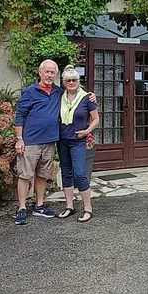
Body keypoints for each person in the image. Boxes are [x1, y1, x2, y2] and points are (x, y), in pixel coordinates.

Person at [12, 59, 95, 225]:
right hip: (31, 141)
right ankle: (21, 207)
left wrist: (91, 95)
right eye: (47, 71)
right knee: (25, 175)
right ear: (40, 72)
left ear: (56, 75)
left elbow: (76, 93)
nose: (49, 75)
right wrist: (19, 139)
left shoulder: (59, 92)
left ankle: (39, 205)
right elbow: (20, 115)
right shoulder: (30, 91)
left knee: (43, 174)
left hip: (50, 141)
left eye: (52, 72)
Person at [56, 65, 99, 223]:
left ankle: (88, 208)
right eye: (68, 80)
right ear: (64, 82)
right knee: (66, 172)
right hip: (62, 140)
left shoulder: (87, 97)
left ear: (79, 81)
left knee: (80, 174)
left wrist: (87, 131)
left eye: (74, 80)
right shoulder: (59, 96)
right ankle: (69, 206)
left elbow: (96, 119)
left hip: (78, 141)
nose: (71, 82)